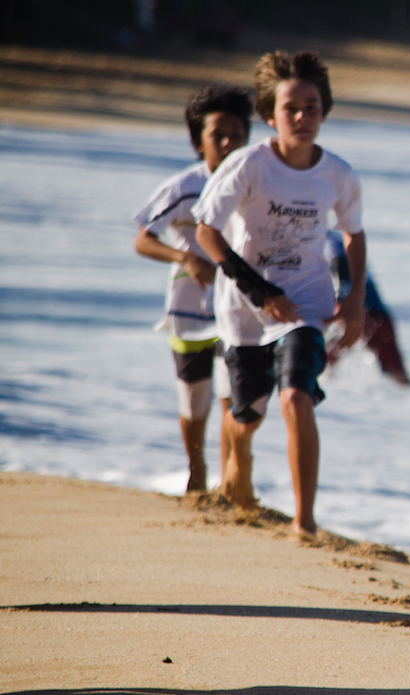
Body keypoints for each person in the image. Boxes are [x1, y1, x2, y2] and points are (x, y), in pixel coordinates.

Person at [194, 50, 367, 537]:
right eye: (291, 108)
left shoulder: (337, 174)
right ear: (270, 115)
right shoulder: (247, 165)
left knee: (295, 397)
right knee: (248, 415)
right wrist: (259, 288)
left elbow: (353, 233)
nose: (302, 117)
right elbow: (207, 230)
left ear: (324, 111)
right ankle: (239, 453)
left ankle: (304, 521)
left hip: (307, 302)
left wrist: (353, 298)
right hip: (245, 308)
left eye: (312, 107)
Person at [132, 85, 251, 494]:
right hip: (186, 313)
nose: (228, 142)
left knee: (230, 398)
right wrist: (185, 258)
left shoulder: (254, 186)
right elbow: (143, 239)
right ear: (198, 140)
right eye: (217, 134)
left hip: (234, 314)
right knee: (193, 405)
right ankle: (196, 472)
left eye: (236, 133)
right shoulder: (184, 187)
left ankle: (232, 483)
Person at [324, 231, 410, 386]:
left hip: (363, 311)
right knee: (325, 357)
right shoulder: (334, 238)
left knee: (325, 357)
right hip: (368, 311)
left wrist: (340, 298)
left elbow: (339, 263)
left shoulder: (330, 239)